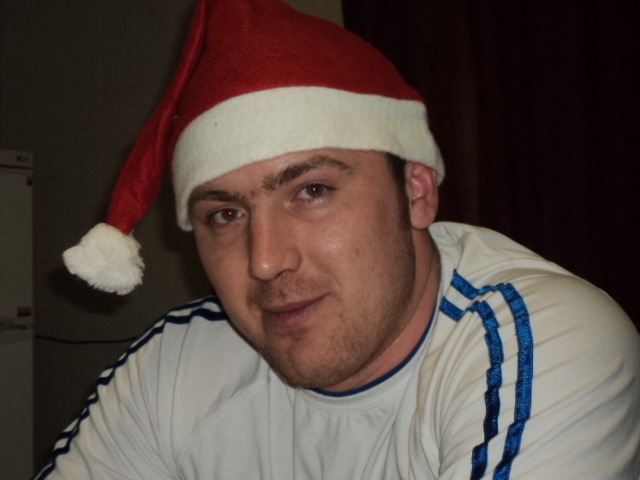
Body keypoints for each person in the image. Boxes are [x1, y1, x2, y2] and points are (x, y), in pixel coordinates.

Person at [35, 0, 640, 478]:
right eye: (226, 214)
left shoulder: (539, 342)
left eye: (313, 191)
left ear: (417, 192)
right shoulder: (175, 366)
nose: (266, 261)